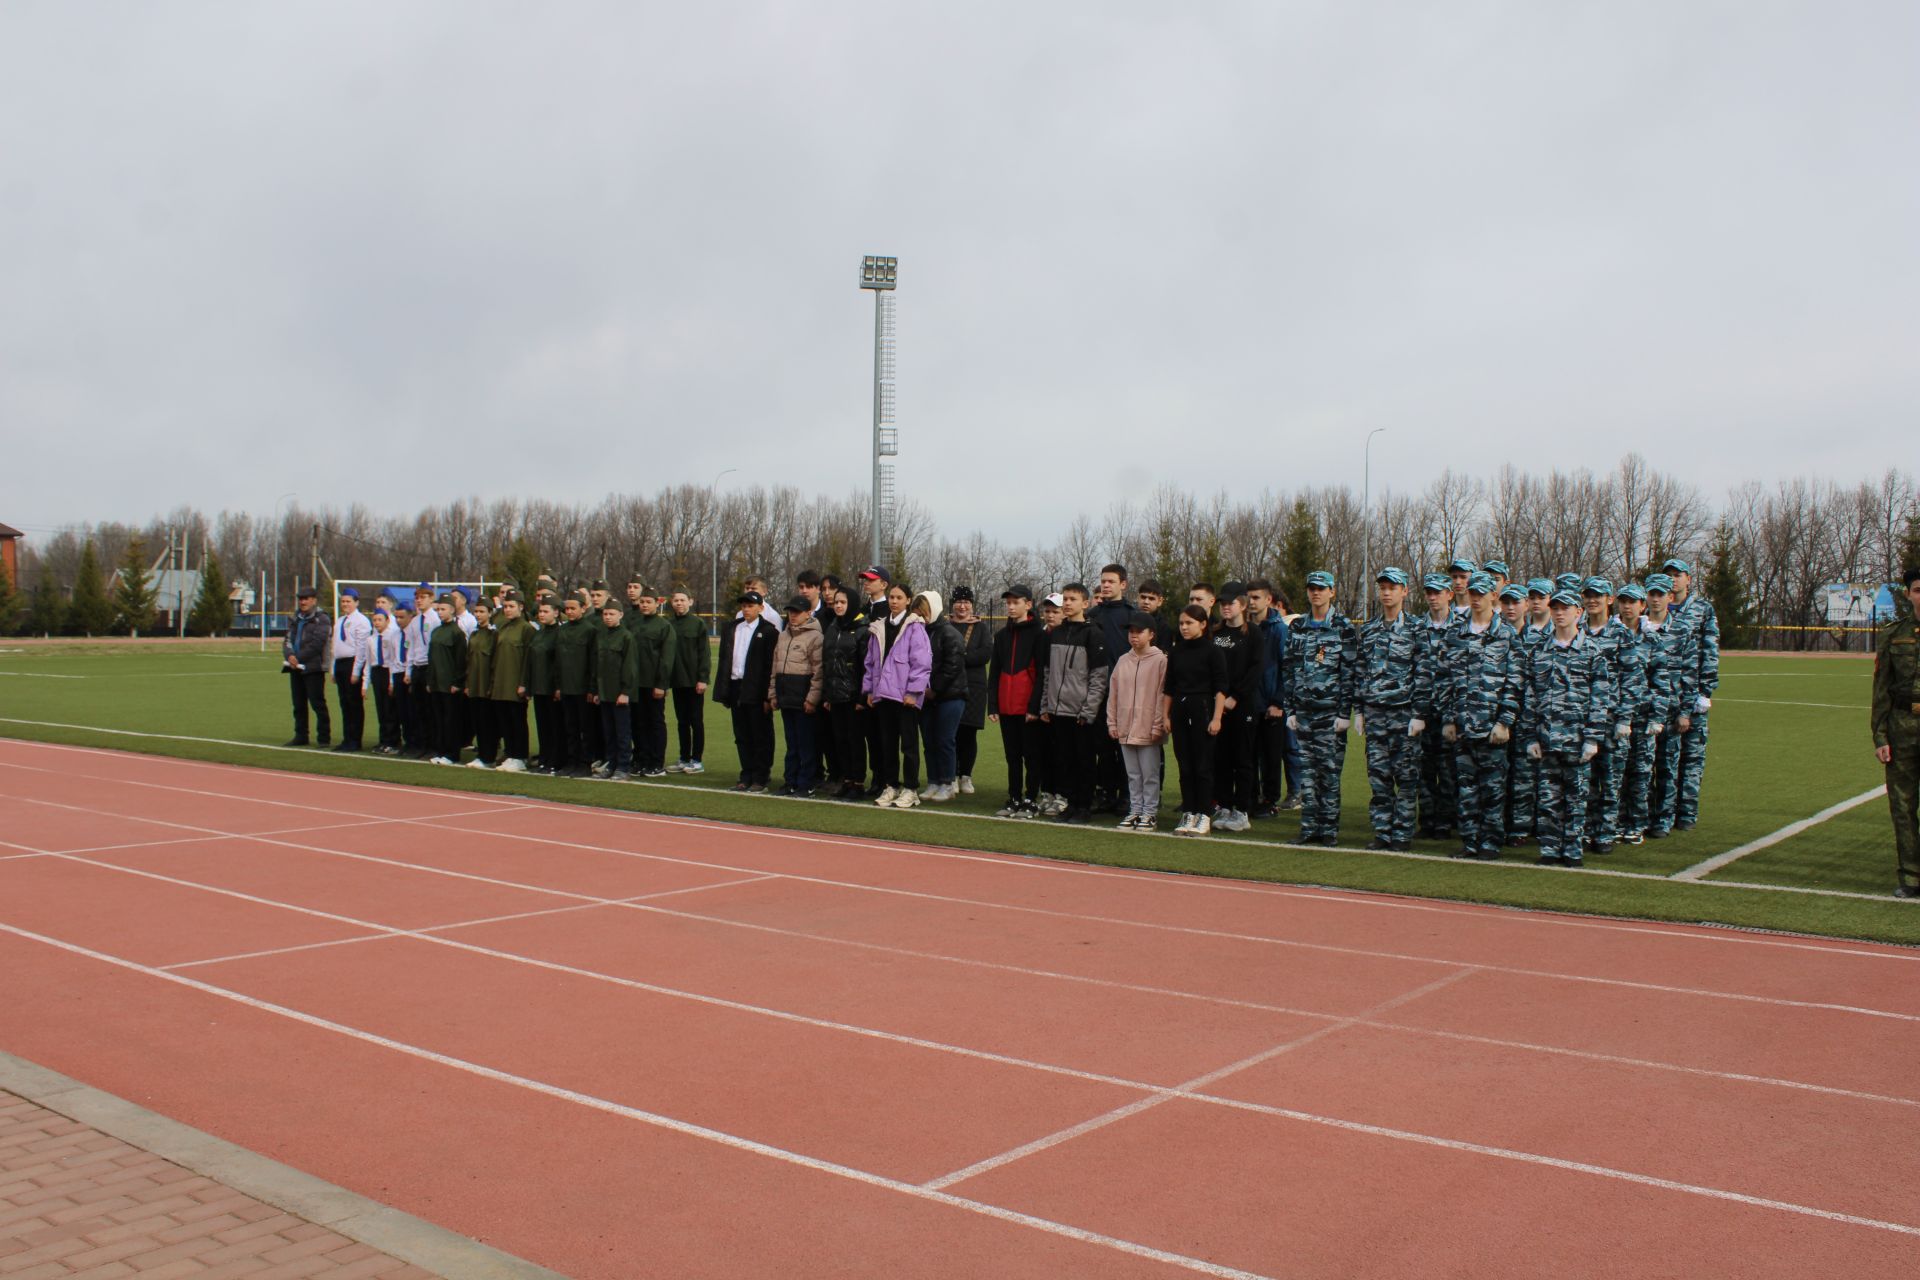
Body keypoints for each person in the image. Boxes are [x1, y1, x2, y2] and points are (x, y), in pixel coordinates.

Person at [1520, 590, 1613, 867]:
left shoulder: (1592, 651)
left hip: (1576, 740)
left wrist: (1593, 738)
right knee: (1549, 799)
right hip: (1548, 739)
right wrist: (1529, 736)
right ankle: (1550, 850)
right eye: (1556, 608)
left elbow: (1600, 697)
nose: (1560, 613)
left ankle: (1572, 851)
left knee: (1577, 800)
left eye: (1566, 608)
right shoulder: (1539, 652)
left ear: (1579, 613)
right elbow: (1530, 696)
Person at [1438, 572, 1523, 860]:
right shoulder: (1455, 634)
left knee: (1493, 791)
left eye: (1481, 593)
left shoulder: (1507, 635)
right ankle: (1470, 841)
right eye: (1472, 593)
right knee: (1466, 790)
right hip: (1462, 724)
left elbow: (1515, 683)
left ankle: (1490, 842)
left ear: (1493, 597)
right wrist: (1448, 718)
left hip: (1491, 727)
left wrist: (1504, 722)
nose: (1475, 598)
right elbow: (1444, 679)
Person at [1281, 571, 1358, 846]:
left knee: (1329, 773)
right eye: (1312, 588)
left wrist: (1344, 713)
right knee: (1308, 774)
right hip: (1304, 712)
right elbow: (1289, 669)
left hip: (1330, 713)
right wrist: (1289, 709)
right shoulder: (1298, 626)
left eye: (1321, 588)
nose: (1316, 593)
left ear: (1332, 592)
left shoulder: (1342, 626)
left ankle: (1329, 831)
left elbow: (1349, 672)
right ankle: (1309, 828)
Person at [1356, 568, 1426, 852]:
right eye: (1382, 587)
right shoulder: (1370, 629)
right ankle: (1383, 832)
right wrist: (1358, 710)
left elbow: (1423, 672)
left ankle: (1402, 834)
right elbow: (1361, 671)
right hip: (1375, 714)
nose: (1386, 592)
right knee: (1379, 778)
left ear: (1405, 591)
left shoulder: (1416, 628)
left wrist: (1419, 714)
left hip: (1403, 714)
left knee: (1407, 779)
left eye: (1393, 587)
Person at [1034, 583, 1111, 824]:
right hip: (1058, 710)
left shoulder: (1093, 633)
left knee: (1084, 761)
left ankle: (1084, 807)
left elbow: (1099, 677)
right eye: (1065, 599)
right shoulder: (1056, 632)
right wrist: (1045, 705)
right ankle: (1070, 803)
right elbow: (1048, 673)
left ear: (1085, 604)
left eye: (1072, 599)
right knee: (1064, 761)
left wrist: (1088, 711)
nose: (1067, 603)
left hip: (1080, 711)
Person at [863, 581, 931, 808]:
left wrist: (914, 692)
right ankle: (891, 786)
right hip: (883, 697)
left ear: (908, 601)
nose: (894, 601)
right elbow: (871, 663)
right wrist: (870, 690)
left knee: (909, 745)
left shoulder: (915, 628)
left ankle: (911, 789)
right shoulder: (879, 627)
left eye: (899, 597)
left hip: (905, 698)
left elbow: (921, 663)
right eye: (891, 597)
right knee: (887, 744)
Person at [1663, 557, 1720, 830]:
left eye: (1677, 574)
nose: (1673, 579)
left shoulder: (1702, 609)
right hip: (1665, 695)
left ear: (1688, 579)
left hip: (1692, 692)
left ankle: (1686, 814)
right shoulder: (1658, 608)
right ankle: (1663, 812)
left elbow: (1710, 651)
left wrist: (1705, 691)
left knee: (1692, 758)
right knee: (1665, 760)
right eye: (1669, 575)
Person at [1873, 567, 1920, 898]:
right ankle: (1911, 878)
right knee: (1902, 806)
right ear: (1908, 594)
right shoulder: (1893, 634)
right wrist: (1880, 737)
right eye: (1918, 589)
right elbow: (1881, 688)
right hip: (1903, 726)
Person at [1612, 583, 1670, 845]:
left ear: (1642, 606)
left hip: (1643, 717)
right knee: (1616, 773)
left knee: (1641, 773)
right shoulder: (1609, 635)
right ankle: (1616, 821)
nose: (1627, 606)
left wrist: (1657, 716)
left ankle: (1636, 823)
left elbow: (1660, 681)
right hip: (1616, 717)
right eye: (1623, 602)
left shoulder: (1652, 640)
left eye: (1632, 602)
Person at [1579, 577, 1633, 854]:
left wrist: (1624, 718)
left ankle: (1606, 834)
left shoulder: (1621, 634)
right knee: (1584, 781)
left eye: (1598, 596)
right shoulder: (1576, 631)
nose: (1592, 600)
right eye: (1588, 595)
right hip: (1581, 720)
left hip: (1611, 720)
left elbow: (1632, 679)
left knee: (1610, 781)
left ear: (1609, 600)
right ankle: (1587, 831)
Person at [1165, 604, 1227, 836]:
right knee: (1185, 766)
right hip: (1180, 712)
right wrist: (1166, 715)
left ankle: (1204, 815)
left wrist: (1217, 718)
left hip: (1203, 710)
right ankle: (1188, 812)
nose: (1184, 627)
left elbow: (1221, 688)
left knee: (1203, 766)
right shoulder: (1176, 652)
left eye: (1189, 623)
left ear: (1202, 624)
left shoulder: (1213, 652)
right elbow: (1169, 687)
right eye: (1181, 623)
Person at [1208, 582, 1264, 833]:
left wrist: (1236, 697)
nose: (1226, 608)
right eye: (1223, 603)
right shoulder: (1215, 633)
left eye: (1230, 603)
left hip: (1243, 707)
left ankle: (1242, 810)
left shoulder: (1252, 633)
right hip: (1218, 707)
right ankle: (1225, 805)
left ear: (1242, 604)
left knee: (1242, 758)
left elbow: (1256, 670)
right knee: (1221, 759)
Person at [1108, 611, 1169, 830]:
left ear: (1151, 634)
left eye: (1139, 632)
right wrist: (1112, 723)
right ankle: (1135, 810)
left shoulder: (1160, 660)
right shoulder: (1124, 660)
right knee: (1132, 774)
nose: (1134, 636)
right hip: (1125, 726)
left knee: (1149, 774)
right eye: (1131, 632)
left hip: (1147, 726)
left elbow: (1162, 695)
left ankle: (1149, 813)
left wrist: (1157, 724)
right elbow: (1113, 694)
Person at [715, 590, 780, 793]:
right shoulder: (732, 628)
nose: (746, 609)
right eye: (743, 606)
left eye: (750, 606)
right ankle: (746, 773)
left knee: (760, 734)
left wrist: (767, 695)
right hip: (736, 686)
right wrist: (724, 690)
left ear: (760, 608)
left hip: (756, 689)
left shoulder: (769, 631)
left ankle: (761, 776)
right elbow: (725, 660)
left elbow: (770, 666)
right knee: (741, 734)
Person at [1640, 574, 1689, 838]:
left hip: (1671, 710)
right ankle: (1644, 816)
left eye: (1661, 594)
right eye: (1652, 594)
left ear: (1670, 598)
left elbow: (1689, 673)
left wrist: (1685, 711)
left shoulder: (1681, 630)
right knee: (1642, 769)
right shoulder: (1637, 630)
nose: (1656, 599)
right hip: (1644, 711)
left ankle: (1664, 819)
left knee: (1668, 768)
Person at [989, 585, 1044, 818]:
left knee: (1031, 755)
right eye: (1008, 603)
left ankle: (1031, 798)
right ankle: (1014, 797)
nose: (1011, 607)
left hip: (1028, 707)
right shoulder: (1001, 636)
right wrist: (993, 705)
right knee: (1012, 756)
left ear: (1028, 604)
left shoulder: (1039, 634)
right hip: (1007, 705)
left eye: (1016, 602)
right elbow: (994, 672)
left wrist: (1035, 706)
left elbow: (1042, 673)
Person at [767, 595, 824, 796]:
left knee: (806, 744)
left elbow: (819, 672)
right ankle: (790, 780)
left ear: (808, 613)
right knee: (792, 744)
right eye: (790, 612)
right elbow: (775, 668)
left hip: (803, 698)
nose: (792, 616)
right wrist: (773, 694)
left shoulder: (815, 637)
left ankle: (806, 782)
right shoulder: (783, 636)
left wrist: (811, 699)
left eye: (797, 612)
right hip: (786, 697)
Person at [1246, 578, 1292, 817]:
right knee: (1247, 755)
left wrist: (1278, 701)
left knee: (1271, 757)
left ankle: (1270, 801)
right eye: (1249, 598)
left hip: (1271, 706)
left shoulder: (1279, 629)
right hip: (1248, 705)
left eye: (1256, 598)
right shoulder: (1242, 628)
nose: (1252, 602)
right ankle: (1249, 799)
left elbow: (1287, 668)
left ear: (1268, 600)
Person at [915, 591, 968, 802]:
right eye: (918, 612)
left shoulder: (949, 633)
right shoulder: (918, 632)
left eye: (924, 612)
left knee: (945, 740)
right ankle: (933, 781)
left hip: (950, 696)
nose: (921, 617)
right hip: (926, 696)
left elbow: (952, 666)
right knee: (929, 741)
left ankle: (947, 782)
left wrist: (934, 689)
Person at [1417, 573, 1459, 838]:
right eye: (1429, 592)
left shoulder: (1462, 627)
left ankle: (1445, 821)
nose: (1433, 597)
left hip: (1449, 711)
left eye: (1438, 592)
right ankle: (1427, 820)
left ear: (1450, 594)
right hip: (1422, 710)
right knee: (1422, 769)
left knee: (1447, 770)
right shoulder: (1416, 627)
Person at [819, 588, 868, 800]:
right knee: (840, 739)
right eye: (836, 602)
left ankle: (858, 783)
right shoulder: (832, 628)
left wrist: (861, 697)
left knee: (854, 740)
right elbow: (826, 663)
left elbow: (865, 666)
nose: (838, 606)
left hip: (853, 696)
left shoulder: (862, 630)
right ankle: (846, 781)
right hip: (835, 695)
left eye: (843, 602)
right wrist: (827, 695)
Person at [625, 583, 675, 778]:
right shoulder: (634, 624)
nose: (644, 605)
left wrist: (661, 684)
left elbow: (666, 658)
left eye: (648, 602)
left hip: (652, 684)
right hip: (636, 684)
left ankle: (656, 762)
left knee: (655, 723)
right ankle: (641, 759)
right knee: (637, 723)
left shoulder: (664, 626)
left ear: (657, 604)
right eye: (642, 602)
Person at [948, 586, 993, 796]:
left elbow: (984, 654)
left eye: (967, 602)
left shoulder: (981, 628)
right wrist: (965, 655)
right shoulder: (945, 625)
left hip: (974, 686)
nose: (962, 606)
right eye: (959, 601)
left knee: (969, 733)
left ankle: (965, 776)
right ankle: (952, 775)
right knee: (951, 733)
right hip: (948, 686)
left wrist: (958, 657)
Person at [591, 599, 637, 780]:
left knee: (622, 733)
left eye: (611, 614)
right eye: (605, 614)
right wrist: (596, 690)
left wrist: (625, 692)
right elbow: (597, 666)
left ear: (620, 615)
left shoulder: (626, 637)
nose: (608, 617)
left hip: (619, 694)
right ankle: (610, 763)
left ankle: (623, 766)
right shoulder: (601, 636)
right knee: (608, 732)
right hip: (604, 693)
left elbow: (630, 667)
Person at [666, 588, 710, 774]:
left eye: (683, 600)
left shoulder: (698, 624)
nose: (679, 603)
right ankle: (684, 758)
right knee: (681, 721)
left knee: (695, 721)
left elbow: (704, 654)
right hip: (677, 681)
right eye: (676, 600)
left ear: (690, 601)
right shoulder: (668, 625)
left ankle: (697, 760)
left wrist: (703, 679)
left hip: (693, 682)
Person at [282, 585, 332, 747]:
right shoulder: (295, 618)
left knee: (317, 703)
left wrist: (298, 657)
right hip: (294, 667)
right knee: (298, 704)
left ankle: (324, 738)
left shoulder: (321, 618)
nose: (302, 602)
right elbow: (287, 639)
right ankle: (301, 735)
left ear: (314, 600)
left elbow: (318, 643)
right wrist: (289, 655)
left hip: (313, 667)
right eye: (300, 599)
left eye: (306, 599)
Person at [489, 591, 533, 773]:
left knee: (518, 721)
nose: (507, 610)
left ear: (521, 607)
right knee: (505, 721)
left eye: (511, 606)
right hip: (501, 683)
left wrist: (524, 683)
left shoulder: (526, 629)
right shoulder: (503, 628)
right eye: (505, 606)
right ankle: (510, 753)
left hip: (515, 683)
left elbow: (528, 659)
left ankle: (520, 756)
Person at [353, 606, 405, 755]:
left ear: (387, 620)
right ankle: (384, 740)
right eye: (374, 620)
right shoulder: (371, 639)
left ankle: (394, 741)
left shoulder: (392, 636)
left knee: (390, 710)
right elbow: (369, 663)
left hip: (388, 671)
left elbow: (394, 659)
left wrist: (392, 681)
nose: (377, 623)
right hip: (377, 673)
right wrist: (364, 684)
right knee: (381, 709)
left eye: (380, 620)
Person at [425, 595, 468, 765]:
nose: (440, 613)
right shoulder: (436, 631)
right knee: (438, 719)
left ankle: (452, 753)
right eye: (438, 610)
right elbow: (431, 658)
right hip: (436, 684)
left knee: (451, 720)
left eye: (443, 609)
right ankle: (441, 750)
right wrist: (429, 680)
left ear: (451, 609)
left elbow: (461, 660)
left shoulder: (457, 633)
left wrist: (457, 682)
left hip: (449, 685)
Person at [329, 587, 372, 753]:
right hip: (340, 663)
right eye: (343, 601)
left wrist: (356, 671)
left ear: (356, 602)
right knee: (344, 704)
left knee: (354, 703)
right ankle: (347, 738)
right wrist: (333, 668)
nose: (345, 604)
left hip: (352, 663)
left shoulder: (361, 621)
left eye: (348, 601)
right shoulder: (340, 620)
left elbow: (361, 649)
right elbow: (335, 646)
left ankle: (355, 740)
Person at [527, 596, 563, 774]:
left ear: (556, 613)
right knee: (542, 726)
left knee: (555, 726)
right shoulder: (539, 634)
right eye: (540, 611)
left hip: (551, 688)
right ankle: (544, 758)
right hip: (539, 687)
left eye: (545, 611)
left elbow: (559, 662)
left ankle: (555, 760)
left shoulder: (559, 633)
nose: (541, 614)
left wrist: (557, 686)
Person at [463, 598, 499, 768]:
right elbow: (469, 660)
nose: (478, 615)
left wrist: (491, 686)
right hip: (475, 685)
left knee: (487, 722)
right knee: (477, 721)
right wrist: (468, 684)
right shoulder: (474, 634)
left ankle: (488, 756)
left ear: (490, 613)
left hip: (486, 686)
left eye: (482, 611)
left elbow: (494, 663)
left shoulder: (494, 635)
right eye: (476, 611)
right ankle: (481, 754)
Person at [1134, 580, 1175, 650]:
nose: (1146, 602)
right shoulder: (1130, 620)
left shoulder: (1164, 628)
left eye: (1151, 598)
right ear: (1138, 597)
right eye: (1143, 597)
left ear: (1160, 601)